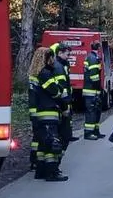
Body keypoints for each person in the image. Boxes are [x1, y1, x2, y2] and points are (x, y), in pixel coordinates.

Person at [29, 46, 68, 182]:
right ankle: (52, 172)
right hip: (49, 112)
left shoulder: (35, 74)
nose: (53, 60)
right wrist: (63, 101)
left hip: (40, 113)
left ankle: (41, 171)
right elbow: (55, 92)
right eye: (51, 57)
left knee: (42, 144)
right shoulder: (45, 73)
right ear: (46, 58)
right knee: (53, 143)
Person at [50, 43, 80, 143]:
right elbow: (62, 86)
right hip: (63, 98)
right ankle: (63, 137)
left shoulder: (63, 64)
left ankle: (67, 135)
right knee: (64, 117)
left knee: (67, 118)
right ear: (59, 53)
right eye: (67, 54)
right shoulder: (58, 66)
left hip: (66, 97)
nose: (68, 57)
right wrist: (65, 101)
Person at [82, 41, 105, 140]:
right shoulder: (93, 58)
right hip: (91, 90)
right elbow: (94, 76)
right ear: (99, 48)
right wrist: (99, 88)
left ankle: (96, 131)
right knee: (91, 111)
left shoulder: (92, 57)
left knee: (96, 111)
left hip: (93, 90)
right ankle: (88, 133)